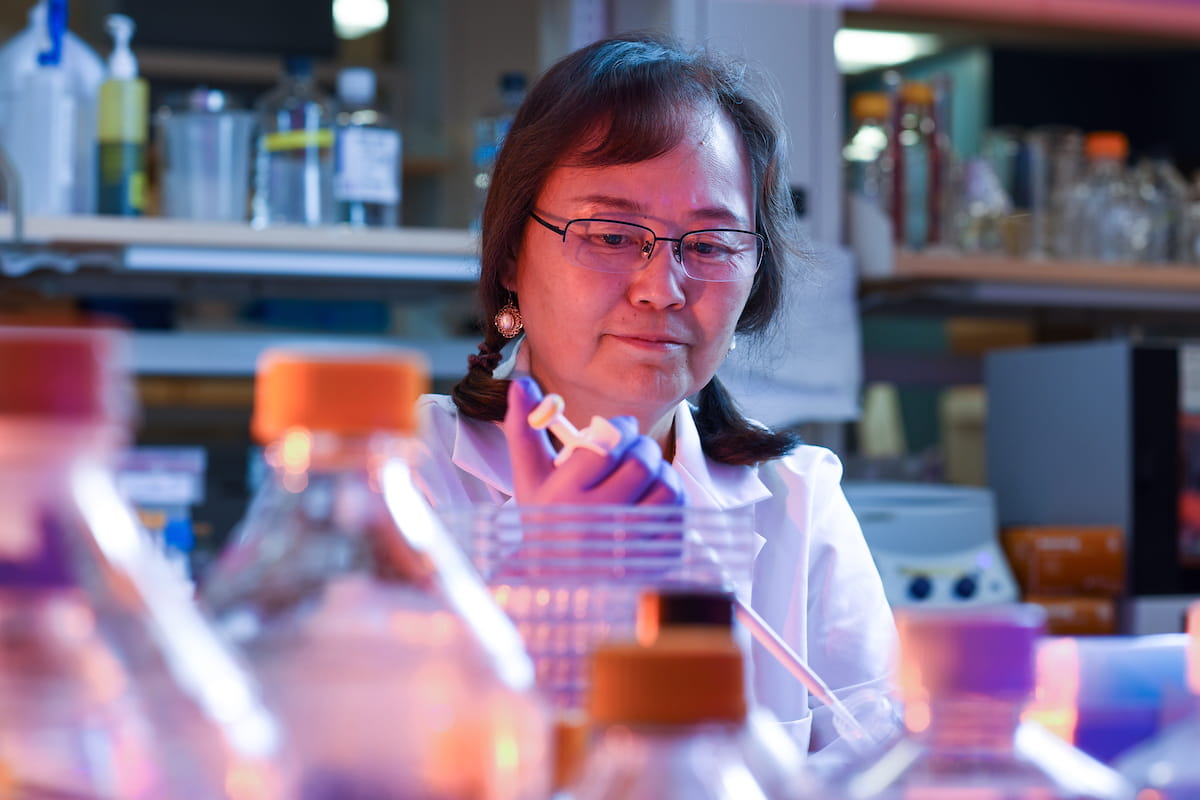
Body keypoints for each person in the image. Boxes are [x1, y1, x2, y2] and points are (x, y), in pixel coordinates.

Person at [416, 32, 896, 759]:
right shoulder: (406, 474)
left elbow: (883, 763)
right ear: (511, 253)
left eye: (709, 246)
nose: (661, 289)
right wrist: (545, 584)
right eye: (610, 235)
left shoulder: (797, 498)